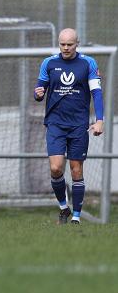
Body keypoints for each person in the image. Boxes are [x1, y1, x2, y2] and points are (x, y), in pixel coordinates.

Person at [34, 28, 104, 225]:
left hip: (78, 124)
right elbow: (39, 91)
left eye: (69, 44)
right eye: (62, 44)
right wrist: (38, 94)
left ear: (77, 44)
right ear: (59, 43)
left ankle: (76, 217)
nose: (66, 48)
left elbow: (97, 93)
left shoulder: (88, 63)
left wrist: (99, 120)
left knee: (76, 171)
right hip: (55, 123)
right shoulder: (48, 63)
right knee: (56, 169)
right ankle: (64, 207)